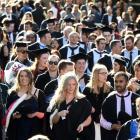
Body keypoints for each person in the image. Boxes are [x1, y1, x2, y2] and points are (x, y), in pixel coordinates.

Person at [48, 72, 92, 140]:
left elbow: (89, 118)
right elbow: (53, 121)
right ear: (64, 85)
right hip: (59, 135)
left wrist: (83, 124)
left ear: (76, 85)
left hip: (76, 136)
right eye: (69, 84)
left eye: (73, 84)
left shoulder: (83, 101)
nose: (71, 87)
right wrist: (59, 114)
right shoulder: (58, 101)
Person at [5, 68, 46, 140]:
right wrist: (13, 116)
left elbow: (43, 114)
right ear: (18, 78)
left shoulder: (38, 93)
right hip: (15, 130)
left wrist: (35, 114)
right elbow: (7, 112)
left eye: (26, 76)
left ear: (30, 78)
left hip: (33, 131)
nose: (24, 78)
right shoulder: (12, 94)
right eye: (21, 76)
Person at [100, 72, 139, 140]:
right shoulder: (109, 100)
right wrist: (112, 126)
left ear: (127, 83)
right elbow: (102, 120)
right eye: (116, 81)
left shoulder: (136, 99)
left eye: (121, 81)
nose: (118, 84)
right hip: (112, 136)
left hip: (134, 135)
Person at [83, 64, 113, 140]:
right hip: (92, 122)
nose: (105, 75)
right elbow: (86, 107)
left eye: (106, 73)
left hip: (107, 121)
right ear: (96, 74)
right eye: (103, 73)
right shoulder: (88, 90)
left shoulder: (110, 88)